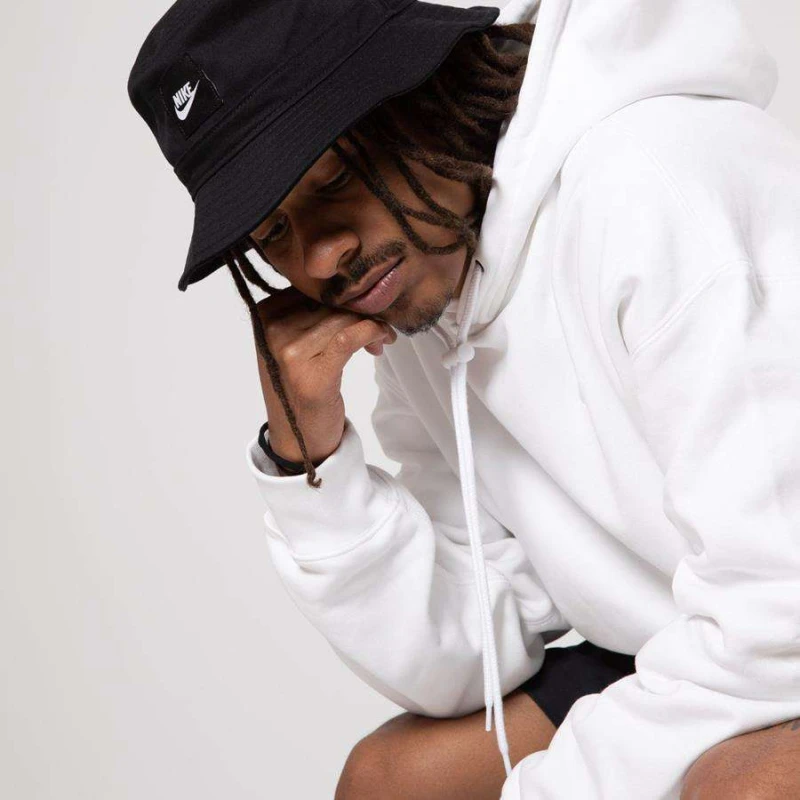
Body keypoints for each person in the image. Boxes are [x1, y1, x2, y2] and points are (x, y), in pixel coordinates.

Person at [127, 0, 800, 797]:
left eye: (334, 175)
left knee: (741, 789)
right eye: (273, 233)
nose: (321, 255)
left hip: (774, 626)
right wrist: (309, 454)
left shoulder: (652, 188)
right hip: (699, 635)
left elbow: (779, 617)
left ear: (419, 92)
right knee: (390, 782)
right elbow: (470, 647)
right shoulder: (432, 289)